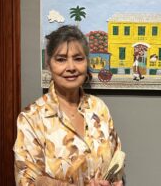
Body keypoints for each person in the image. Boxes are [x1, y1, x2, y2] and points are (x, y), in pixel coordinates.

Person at [14, 25, 124, 186]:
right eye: (61, 59)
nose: (71, 67)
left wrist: (115, 183)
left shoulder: (99, 108)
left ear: (86, 62)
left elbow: (117, 162)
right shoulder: (31, 118)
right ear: (49, 64)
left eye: (78, 58)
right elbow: (27, 181)